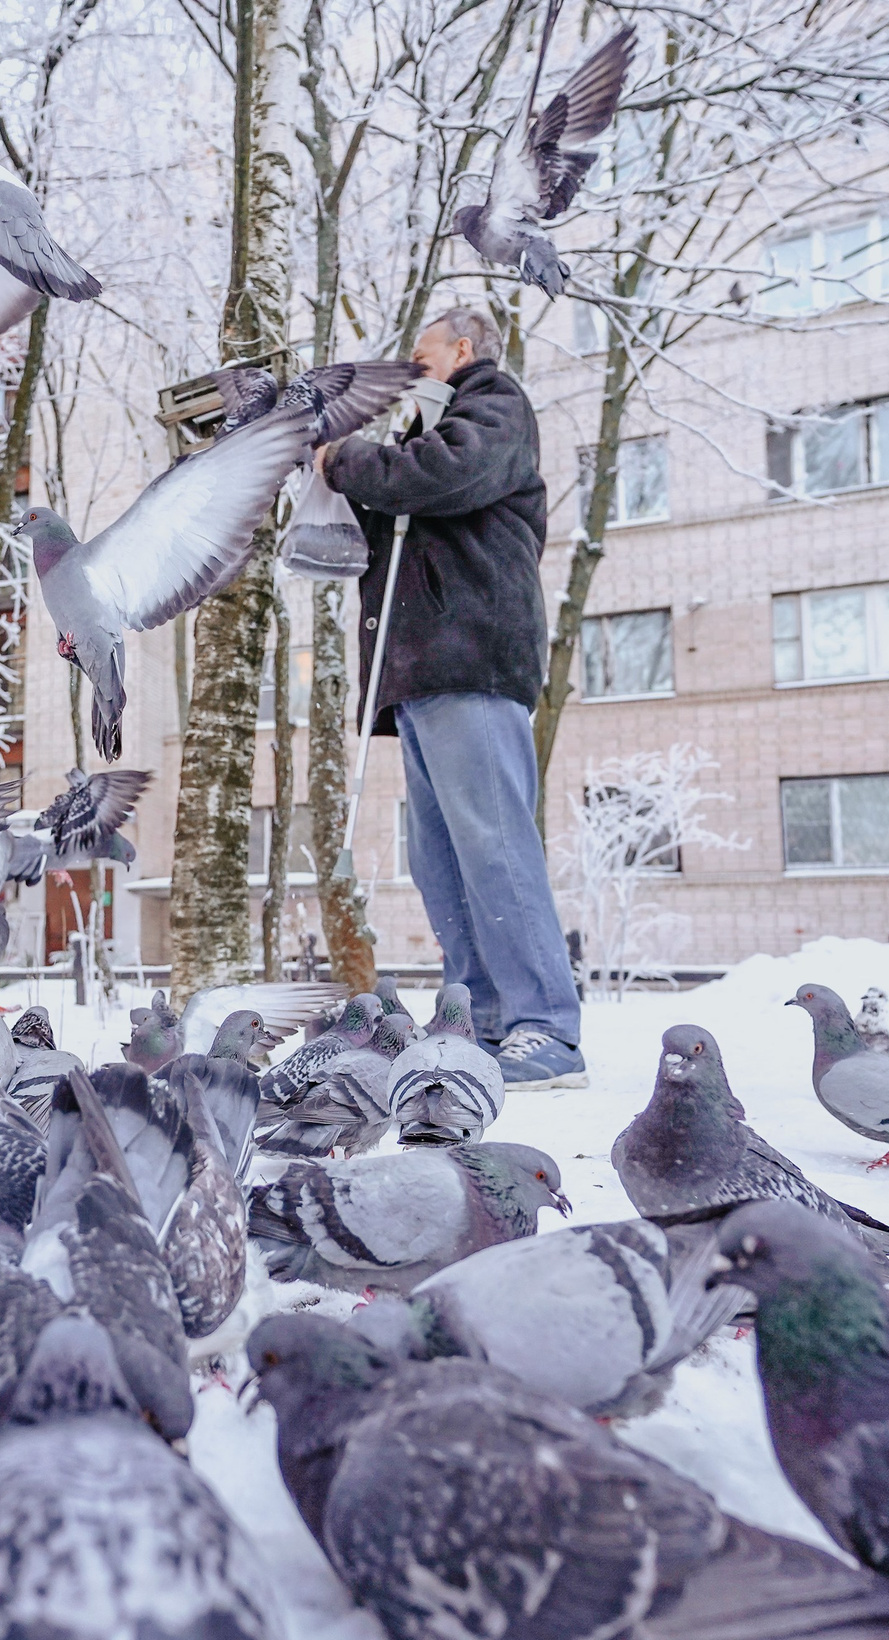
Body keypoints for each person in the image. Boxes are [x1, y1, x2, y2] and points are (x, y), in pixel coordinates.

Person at [316, 305, 587, 1089]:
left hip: (471, 659)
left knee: (495, 846)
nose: (411, 363)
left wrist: (349, 460)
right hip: (425, 674)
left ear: (463, 348)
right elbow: (397, 498)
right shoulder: (426, 432)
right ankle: (487, 1018)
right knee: (442, 859)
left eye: (421, 350)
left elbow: (440, 475)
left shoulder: (494, 406)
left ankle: (547, 1029)